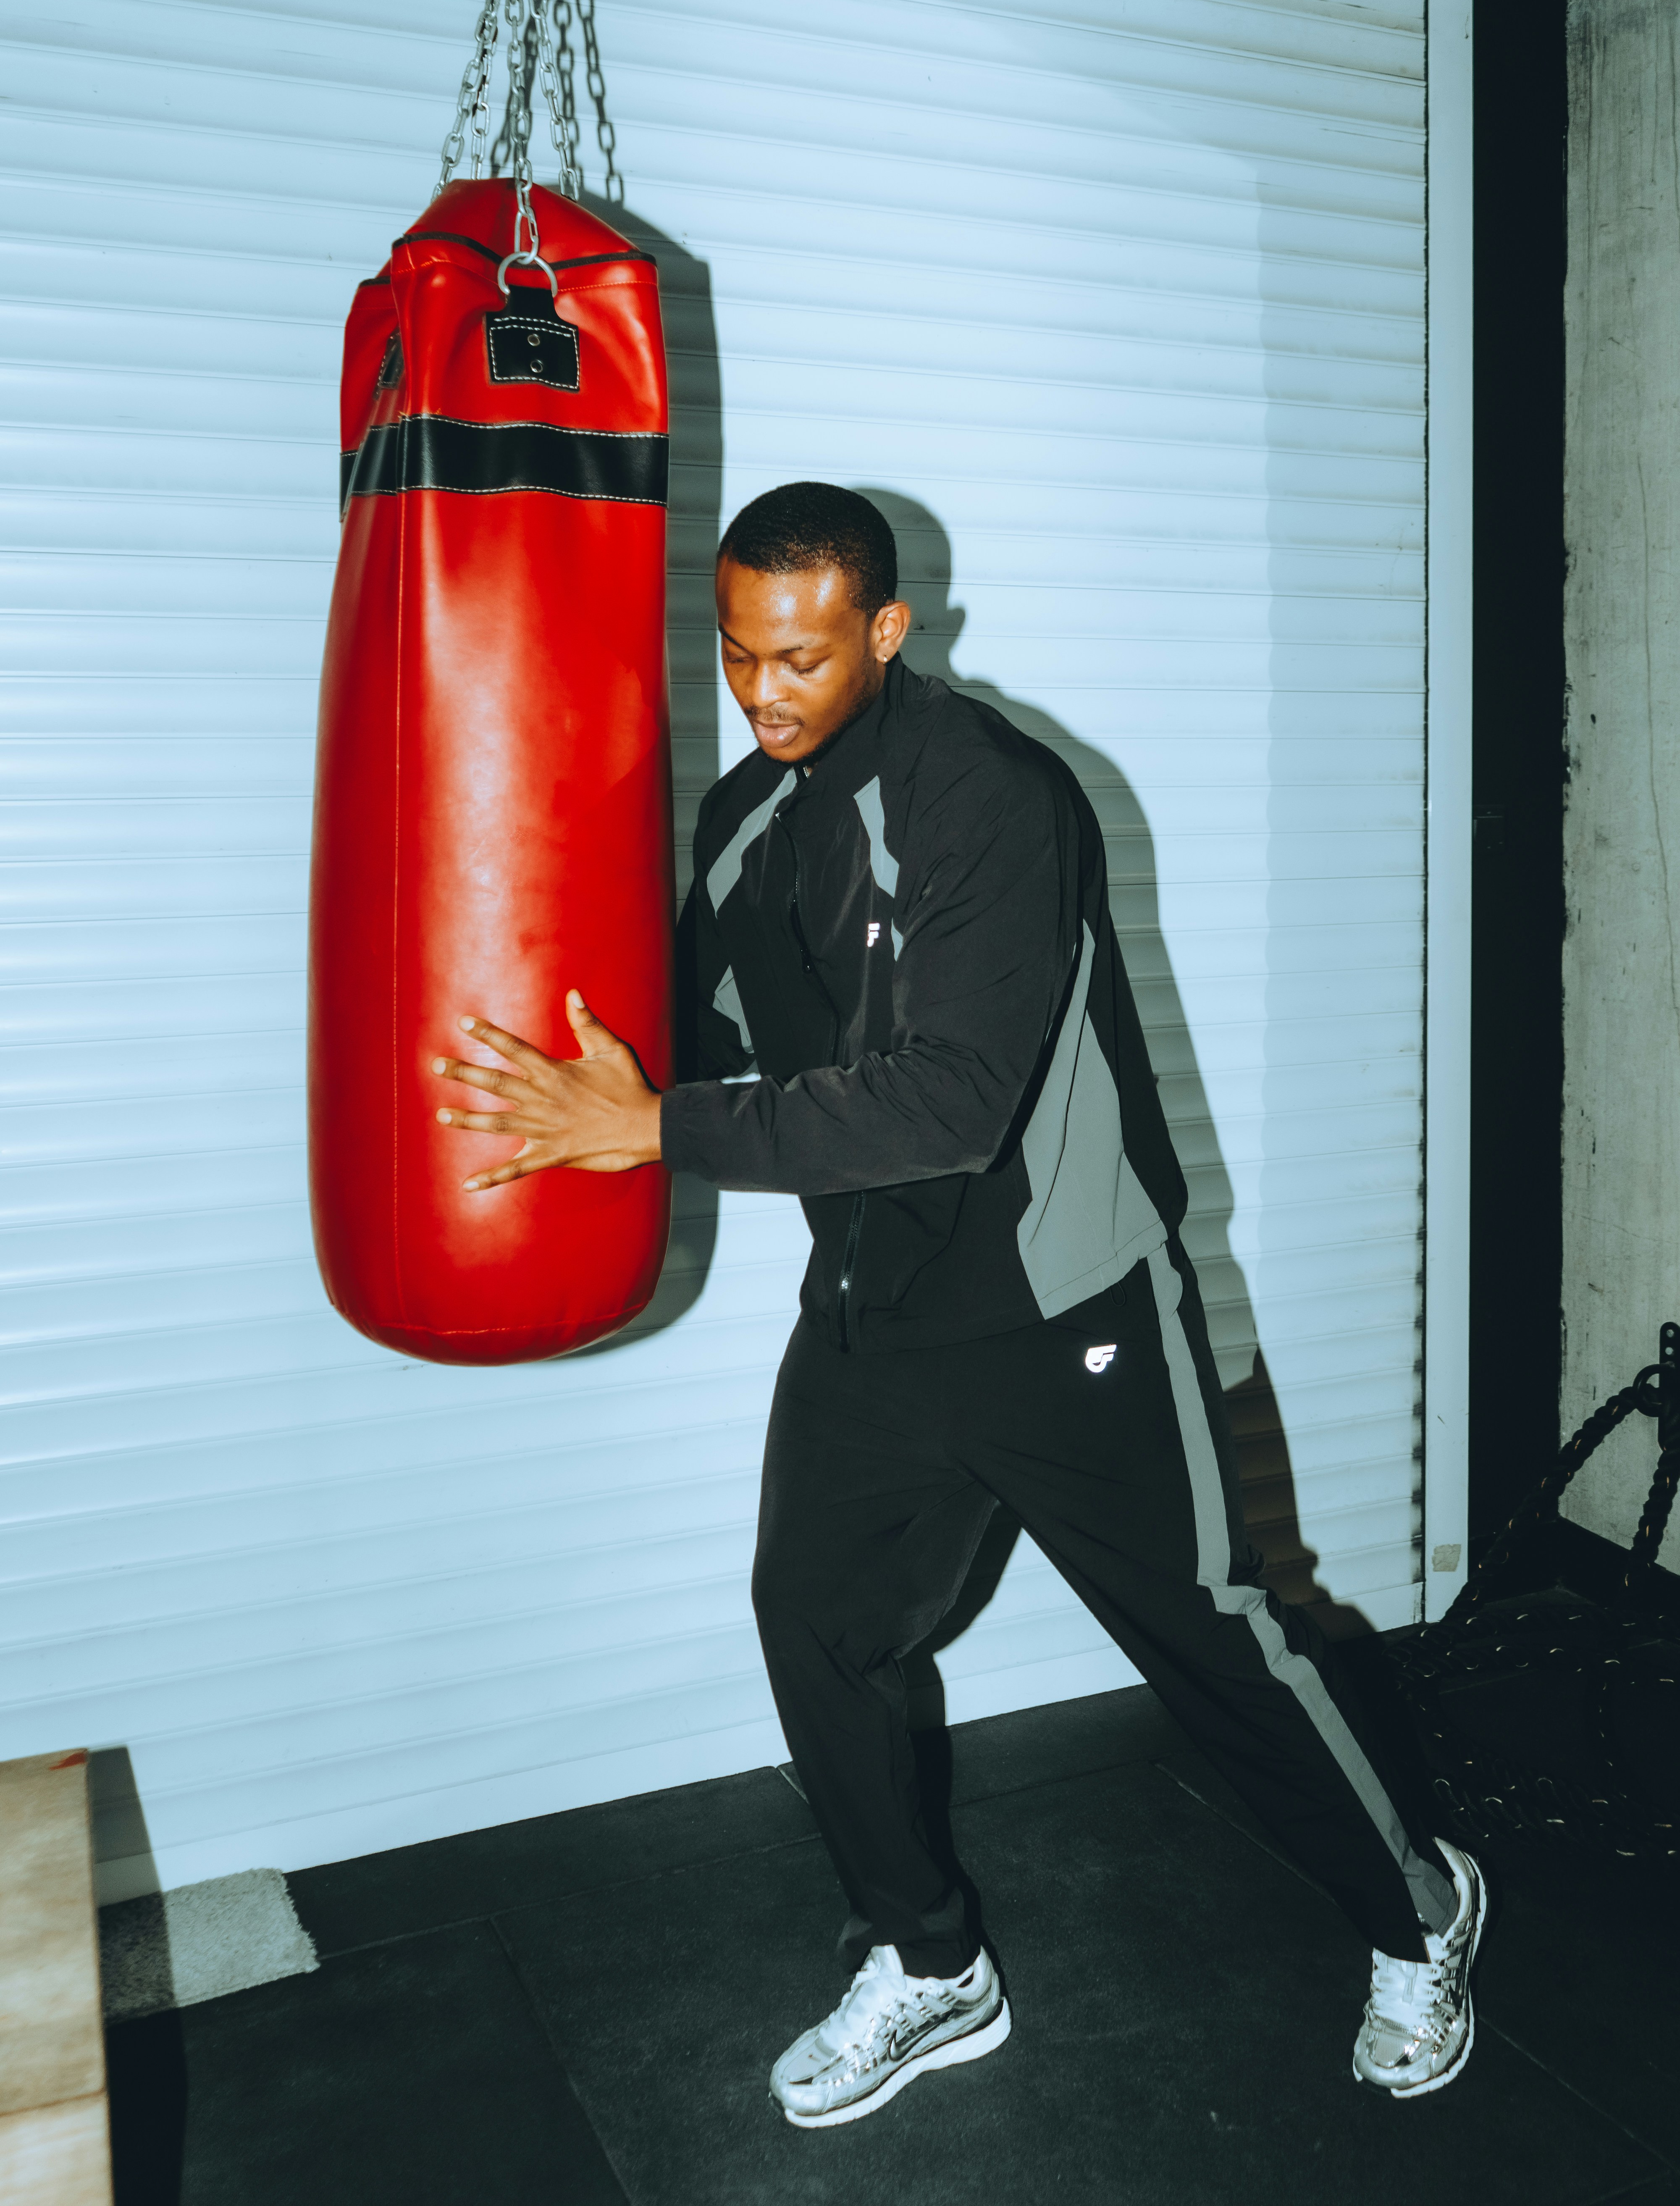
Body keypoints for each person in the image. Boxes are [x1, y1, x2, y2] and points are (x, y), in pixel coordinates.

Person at [429, 481, 1487, 2124]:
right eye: (737, 656)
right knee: (816, 1620)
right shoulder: (744, 823)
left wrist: (646, 1130)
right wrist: (582, 1077)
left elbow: (945, 1104)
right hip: (873, 1310)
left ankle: (1418, 1915)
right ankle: (930, 1965)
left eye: (799, 658)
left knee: (1216, 1647)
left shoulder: (993, 798)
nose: (765, 693)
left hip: (1065, 1309)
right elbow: (705, 1039)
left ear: (884, 630)